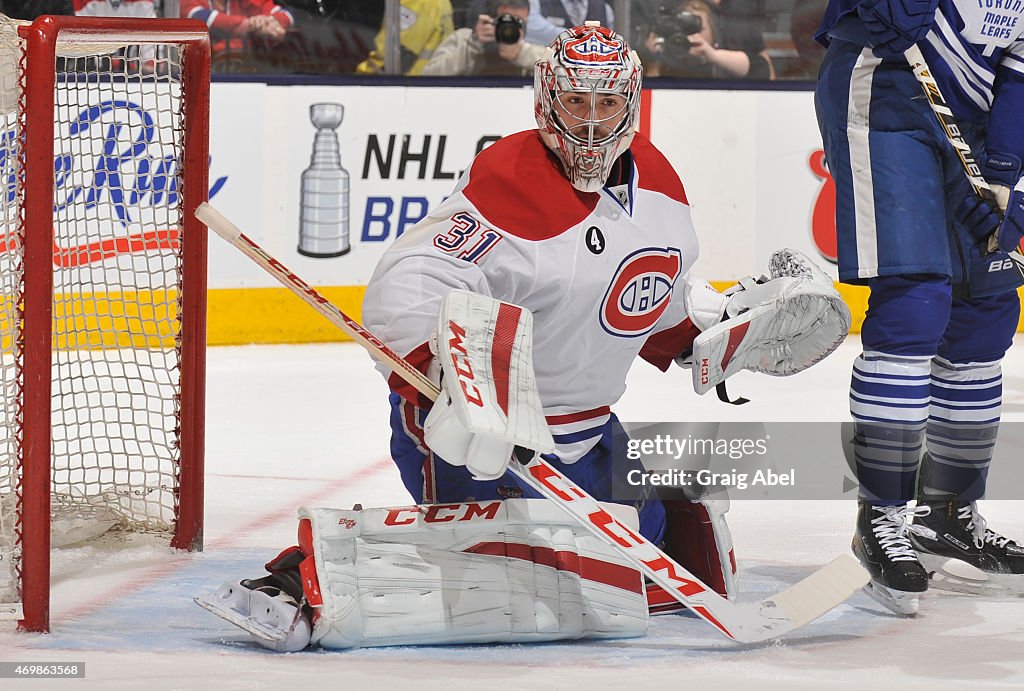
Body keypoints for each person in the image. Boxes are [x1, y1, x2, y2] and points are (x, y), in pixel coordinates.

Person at [197, 23, 850, 651]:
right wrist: (457, 381)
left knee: (641, 559)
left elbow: (648, 300)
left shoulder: (661, 191)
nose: (592, 123)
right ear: (547, 101)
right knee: (517, 578)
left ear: (632, 103)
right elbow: (407, 278)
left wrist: (712, 328)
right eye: (576, 102)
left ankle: (589, 536)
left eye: (607, 103)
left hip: (588, 435)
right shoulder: (511, 182)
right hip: (474, 434)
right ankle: (298, 578)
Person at [814, 0, 1024, 615]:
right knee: (915, 304)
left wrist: (1008, 179)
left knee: (986, 315)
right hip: (883, 93)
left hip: (983, 115)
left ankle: (949, 511)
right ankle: (880, 514)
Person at [640, 0, 773, 79]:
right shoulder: (666, 55)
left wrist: (713, 56)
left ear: (713, 32)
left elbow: (762, 69)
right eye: (683, 29)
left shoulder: (722, 59)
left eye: (696, 28)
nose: (690, 36)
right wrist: (653, 60)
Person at [421, 0, 546, 76]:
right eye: (504, 20)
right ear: (490, 18)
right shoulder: (463, 38)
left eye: (518, 22)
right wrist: (473, 45)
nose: (510, 27)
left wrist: (521, 53)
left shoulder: (529, 45)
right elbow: (428, 76)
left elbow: (562, 73)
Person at [182, 0, 294, 72]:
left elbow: (287, 15)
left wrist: (272, 21)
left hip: (249, 73)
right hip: (199, 76)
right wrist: (251, 24)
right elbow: (197, 16)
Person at [355, 0, 454, 75]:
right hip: (427, 87)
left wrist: (361, 74)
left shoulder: (416, 2)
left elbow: (396, 55)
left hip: (410, 88)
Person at [524, 0, 613, 46]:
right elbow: (529, 28)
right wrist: (579, 39)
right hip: (549, 75)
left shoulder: (604, 8)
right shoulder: (537, 2)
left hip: (593, 77)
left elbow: (611, 43)